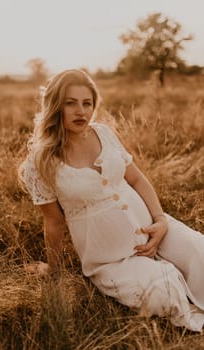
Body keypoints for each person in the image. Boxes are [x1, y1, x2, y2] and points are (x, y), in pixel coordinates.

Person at [19, 69, 204, 332]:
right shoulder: (39, 163)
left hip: (153, 227)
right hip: (111, 258)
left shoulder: (102, 133)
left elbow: (137, 179)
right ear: (55, 106)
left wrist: (161, 221)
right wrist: (55, 270)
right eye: (70, 103)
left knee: (200, 252)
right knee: (164, 290)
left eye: (87, 103)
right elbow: (54, 222)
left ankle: (173, 262)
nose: (80, 111)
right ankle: (167, 277)